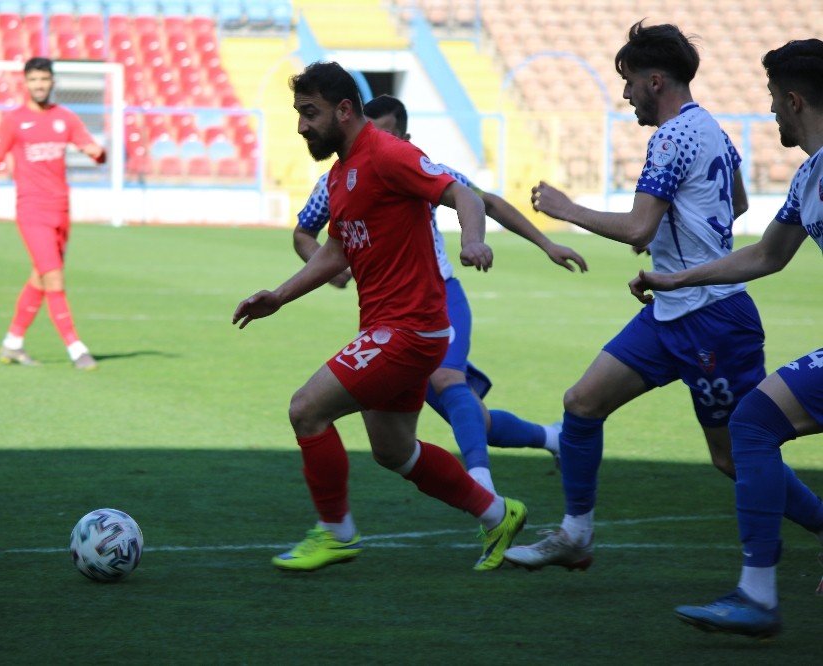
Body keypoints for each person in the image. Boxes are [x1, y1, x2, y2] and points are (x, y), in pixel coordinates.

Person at [503, 21, 823, 572]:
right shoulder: (713, 132)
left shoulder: (671, 138)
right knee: (582, 403)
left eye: (627, 82)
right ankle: (576, 534)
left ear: (655, 81)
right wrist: (678, 256)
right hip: (672, 309)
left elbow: (637, 230)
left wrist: (565, 208)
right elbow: (737, 204)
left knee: (734, 453)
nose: (624, 95)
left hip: (715, 320)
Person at [233, 61, 526, 572]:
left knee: (306, 409)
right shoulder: (341, 174)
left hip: (409, 330)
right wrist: (278, 297)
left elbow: (462, 195)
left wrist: (473, 238)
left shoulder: (390, 154)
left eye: (310, 113)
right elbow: (336, 251)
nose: (301, 126)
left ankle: (336, 532)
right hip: (390, 329)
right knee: (395, 452)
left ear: (344, 110)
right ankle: (498, 514)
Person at [293, 94, 588, 491]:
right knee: (470, 416)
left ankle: (481, 485)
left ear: (404, 137)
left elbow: (486, 203)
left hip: (438, 298)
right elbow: (303, 232)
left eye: (384, 134)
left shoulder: (410, 164)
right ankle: (554, 438)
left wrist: (546, 244)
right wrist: (328, 268)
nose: (372, 142)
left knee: (449, 379)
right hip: (386, 317)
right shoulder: (335, 181)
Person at [631, 38, 823, 639]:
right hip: (693, 295)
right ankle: (757, 594)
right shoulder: (809, 177)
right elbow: (766, 255)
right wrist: (678, 278)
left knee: (748, 427)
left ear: (794, 101)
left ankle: (758, 597)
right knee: (750, 424)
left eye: (772, 100)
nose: (770, 113)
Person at [0, 57, 106, 370]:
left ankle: (12, 343)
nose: (39, 85)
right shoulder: (14, 121)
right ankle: (76, 348)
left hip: (61, 211)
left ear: (52, 82)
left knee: (40, 278)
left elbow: (92, 149)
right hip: (31, 211)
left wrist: (99, 154)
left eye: (44, 79)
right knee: (53, 276)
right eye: (33, 80)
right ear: (25, 83)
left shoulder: (66, 118)